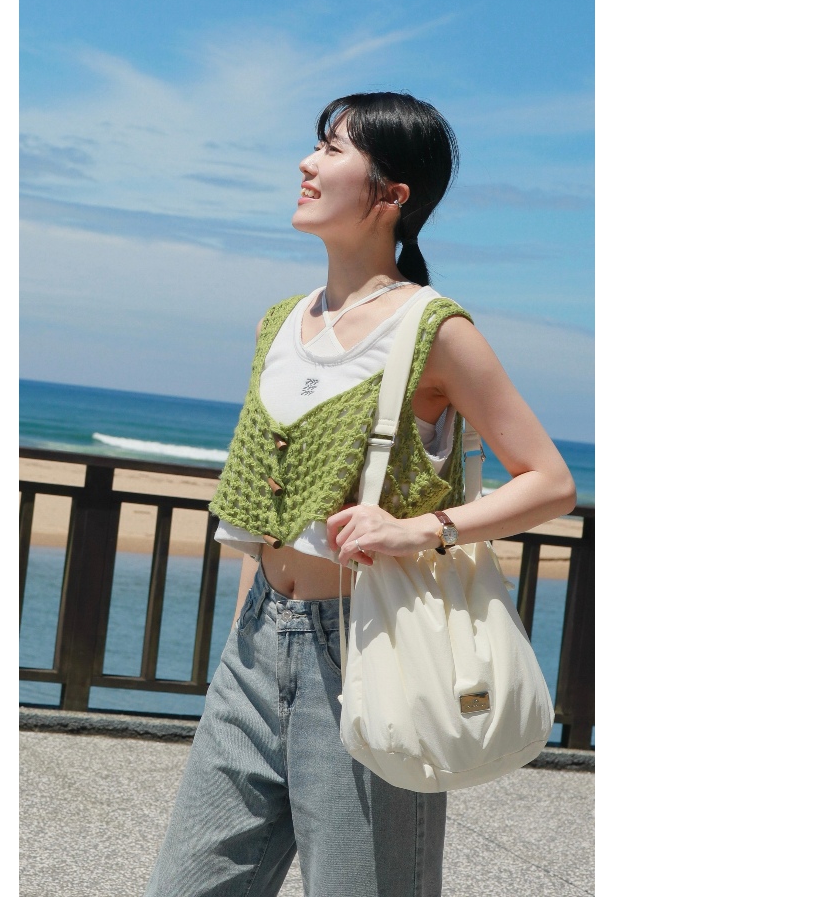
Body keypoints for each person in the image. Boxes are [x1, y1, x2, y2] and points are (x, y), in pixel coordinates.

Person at [144, 92, 576, 897]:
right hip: (256, 645)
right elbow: (267, 517)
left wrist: (424, 529)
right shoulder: (280, 323)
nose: (307, 163)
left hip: (373, 646)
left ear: (391, 194)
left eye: (333, 148)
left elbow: (550, 482)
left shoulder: (435, 330)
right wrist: (241, 646)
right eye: (317, 145)